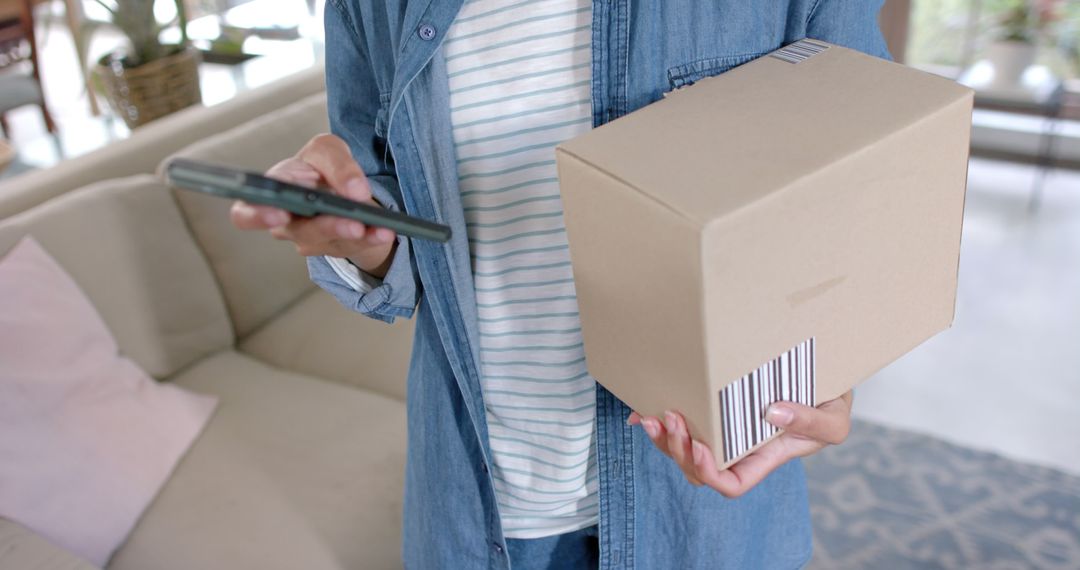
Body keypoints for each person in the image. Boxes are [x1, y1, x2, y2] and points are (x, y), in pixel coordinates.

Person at [230, 1, 889, 568]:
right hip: (485, 500)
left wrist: (836, 360)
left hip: (699, 495)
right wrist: (359, 236)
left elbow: (864, 157)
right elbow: (388, 197)